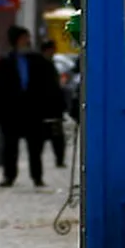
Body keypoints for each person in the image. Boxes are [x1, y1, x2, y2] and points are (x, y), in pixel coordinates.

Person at [0, 26, 65, 188]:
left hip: (33, 111)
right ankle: (9, 175)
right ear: (15, 41)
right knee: (10, 147)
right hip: (11, 112)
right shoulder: (5, 62)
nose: (27, 41)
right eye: (23, 38)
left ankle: (37, 176)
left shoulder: (38, 60)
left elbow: (50, 86)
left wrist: (56, 109)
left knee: (35, 147)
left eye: (27, 38)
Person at [39, 40, 68, 169]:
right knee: (44, 138)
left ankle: (59, 159)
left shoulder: (50, 64)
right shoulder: (41, 65)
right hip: (46, 108)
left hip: (53, 108)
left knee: (57, 138)